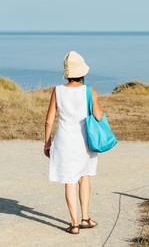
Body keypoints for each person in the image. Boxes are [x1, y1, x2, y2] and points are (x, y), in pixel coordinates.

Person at [44, 51, 104, 234]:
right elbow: (99, 115)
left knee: (69, 181)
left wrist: (47, 144)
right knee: (84, 177)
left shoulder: (58, 90)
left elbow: (49, 120)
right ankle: (86, 218)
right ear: (82, 72)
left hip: (63, 142)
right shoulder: (89, 90)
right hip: (84, 142)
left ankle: (75, 224)